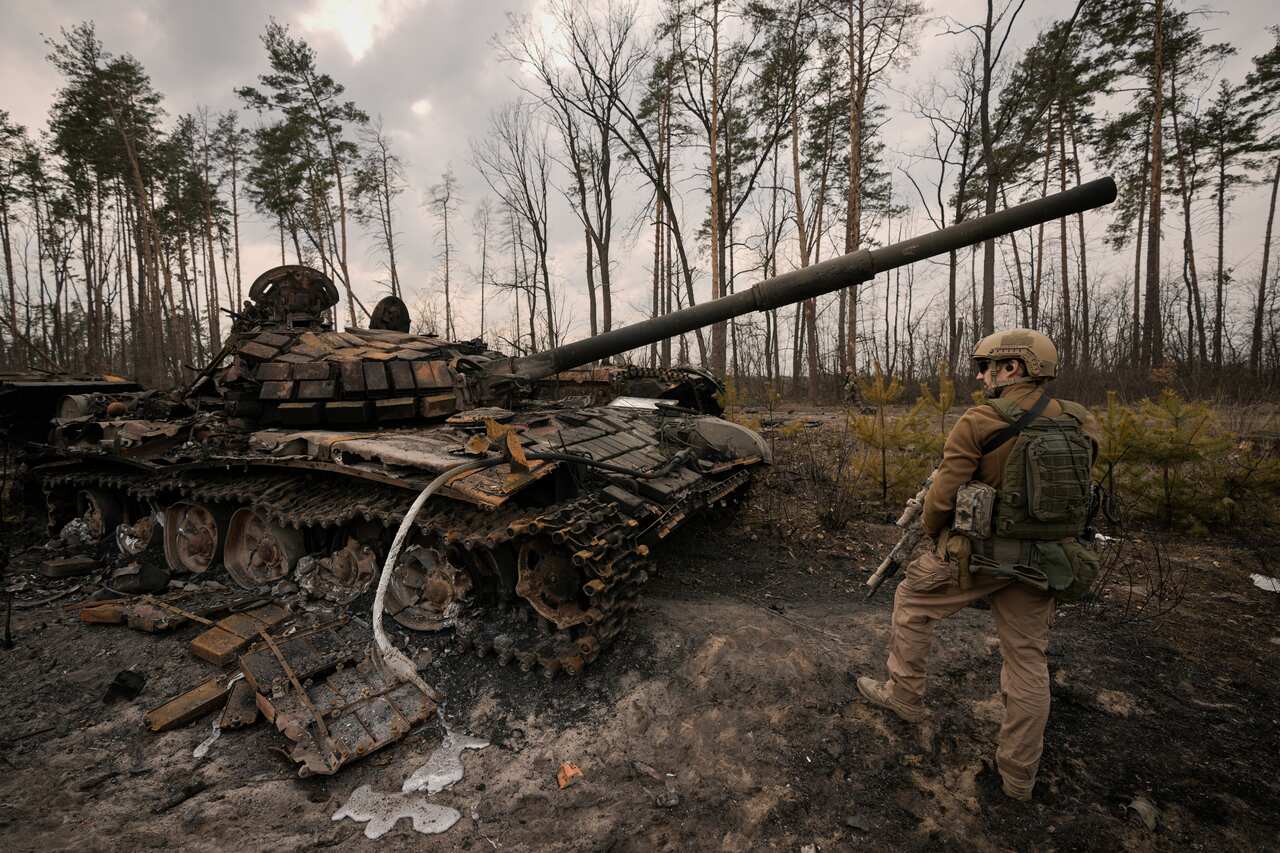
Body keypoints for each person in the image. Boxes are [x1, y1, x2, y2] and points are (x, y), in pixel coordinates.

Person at [856, 328, 1100, 801]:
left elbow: (942, 496)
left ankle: (904, 698)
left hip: (978, 557)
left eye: (989, 365)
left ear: (1014, 368)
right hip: (1045, 562)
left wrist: (932, 534)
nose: (982, 374)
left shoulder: (980, 419)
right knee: (1027, 660)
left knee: (911, 599)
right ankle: (1018, 776)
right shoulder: (1079, 419)